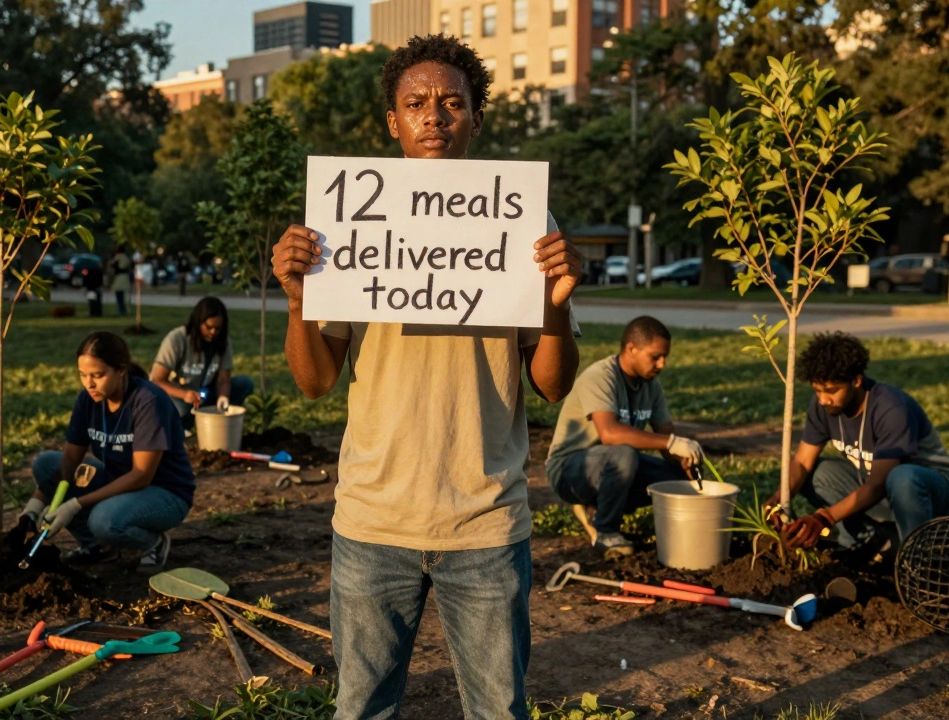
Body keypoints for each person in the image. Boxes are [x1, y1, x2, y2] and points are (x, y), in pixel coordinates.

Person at [270, 35, 583, 720]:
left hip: (485, 521)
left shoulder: (526, 223)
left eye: (451, 103)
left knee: (500, 710)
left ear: (477, 118)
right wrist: (298, 300)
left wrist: (555, 311)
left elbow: (554, 387)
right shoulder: (348, 221)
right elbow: (316, 381)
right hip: (373, 518)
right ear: (393, 121)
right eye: (415, 104)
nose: (433, 116)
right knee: (361, 708)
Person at [16, 331, 195, 571]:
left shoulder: (148, 402)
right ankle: (96, 548)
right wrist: (34, 508)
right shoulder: (88, 400)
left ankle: (153, 543)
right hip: (119, 478)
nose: (89, 383)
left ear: (121, 370)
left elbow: (141, 475)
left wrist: (74, 505)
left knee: (104, 520)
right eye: (83, 375)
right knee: (46, 463)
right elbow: (70, 459)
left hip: (165, 491)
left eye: (98, 375)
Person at [768, 332, 949, 552]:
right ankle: (866, 542)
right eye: (817, 390)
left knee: (902, 477)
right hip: (878, 489)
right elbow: (802, 461)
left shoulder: (891, 408)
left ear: (856, 381)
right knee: (813, 473)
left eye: (831, 391)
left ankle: (916, 554)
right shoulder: (823, 406)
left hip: (927, 494)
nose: (823, 399)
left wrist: (825, 518)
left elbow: (878, 485)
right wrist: (778, 500)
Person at [545, 316, 704, 558]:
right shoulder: (600, 376)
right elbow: (610, 434)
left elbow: (665, 435)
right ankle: (605, 531)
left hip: (614, 466)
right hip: (569, 471)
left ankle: (597, 508)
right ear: (632, 349)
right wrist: (672, 443)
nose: (662, 364)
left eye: (665, 357)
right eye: (655, 357)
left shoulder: (651, 385)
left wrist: (685, 463)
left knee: (677, 479)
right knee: (624, 454)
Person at [149, 297, 254, 425]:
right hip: (179, 392)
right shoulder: (177, 339)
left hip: (206, 392)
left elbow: (224, 379)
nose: (213, 332)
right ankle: (182, 427)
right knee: (181, 408)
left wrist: (223, 397)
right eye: (209, 327)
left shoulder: (223, 342)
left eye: (218, 328)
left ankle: (216, 421)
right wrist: (184, 394)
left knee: (244, 384)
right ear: (198, 322)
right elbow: (156, 380)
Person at [109, 248, 132, 315]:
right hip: (125, 277)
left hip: (119, 277)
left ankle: (122, 310)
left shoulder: (118, 257)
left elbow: (113, 264)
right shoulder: (126, 257)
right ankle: (125, 310)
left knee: (119, 295)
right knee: (125, 296)